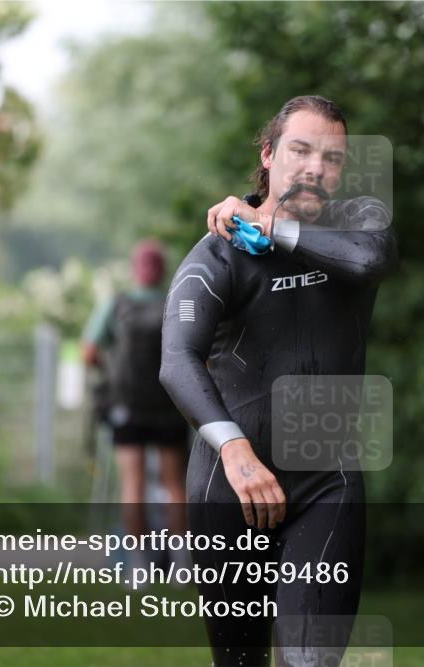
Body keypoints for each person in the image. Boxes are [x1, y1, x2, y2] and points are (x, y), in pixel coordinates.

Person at [160, 95, 397, 666]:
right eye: (300, 149)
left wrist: (273, 227)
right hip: (230, 487)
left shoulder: (360, 223)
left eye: (333, 157)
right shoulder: (220, 252)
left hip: (327, 484)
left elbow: (368, 264)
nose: (317, 166)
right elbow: (176, 360)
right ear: (268, 154)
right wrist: (237, 454)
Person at [83, 240, 189, 564]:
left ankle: (139, 563)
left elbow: (88, 352)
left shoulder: (117, 304)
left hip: (128, 406)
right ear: (163, 270)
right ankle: (182, 563)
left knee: (133, 482)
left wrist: (111, 372)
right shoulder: (176, 303)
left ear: (135, 269)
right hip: (169, 405)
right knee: (174, 484)